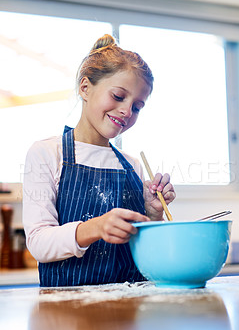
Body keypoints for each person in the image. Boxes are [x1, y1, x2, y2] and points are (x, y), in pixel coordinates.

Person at [23, 34, 176, 287]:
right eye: (118, 96)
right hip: (68, 313)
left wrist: (152, 213)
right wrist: (95, 228)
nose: (127, 111)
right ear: (85, 88)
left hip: (130, 311)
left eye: (137, 107)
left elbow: (143, 247)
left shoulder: (132, 165)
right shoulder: (47, 153)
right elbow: (39, 242)